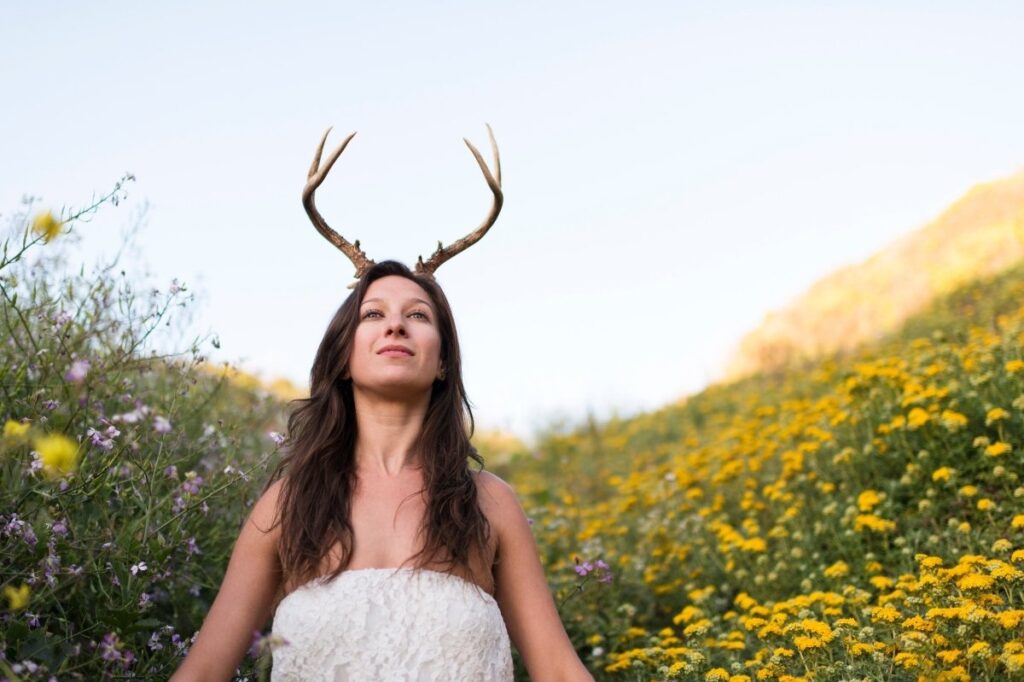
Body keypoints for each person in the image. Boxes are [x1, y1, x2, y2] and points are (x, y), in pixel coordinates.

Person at [171, 127, 595, 681]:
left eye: (418, 315)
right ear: (344, 357)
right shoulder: (286, 506)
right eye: (373, 314)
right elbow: (201, 675)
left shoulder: (491, 506)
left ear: (442, 361)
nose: (395, 321)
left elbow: (560, 673)